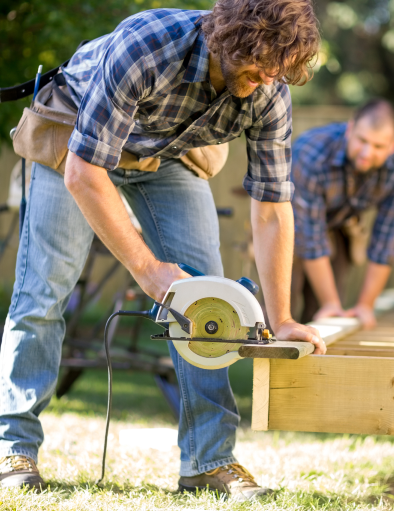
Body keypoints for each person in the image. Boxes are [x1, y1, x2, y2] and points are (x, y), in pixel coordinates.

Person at [0, 0, 326, 500]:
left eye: (277, 70)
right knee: (44, 290)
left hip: (163, 155)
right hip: (76, 138)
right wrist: (148, 270)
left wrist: (282, 319)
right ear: (228, 39)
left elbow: (272, 208)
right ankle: (13, 446)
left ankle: (208, 461)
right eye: (257, 65)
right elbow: (84, 174)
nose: (266, 78)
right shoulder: (148, 44)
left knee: (207, 305)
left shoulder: (269, 89)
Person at [291, 99, 394, 328]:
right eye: (362, 140)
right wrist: (330, 302)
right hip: (290, 221)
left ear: (393, 145)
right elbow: (310, 237)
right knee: (284, 298)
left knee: (326, 313)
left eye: (378, 146)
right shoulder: (311, 152)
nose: (367, 153)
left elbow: (386, 241)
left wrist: (365, 305)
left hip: (339, 224)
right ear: (350, 129)